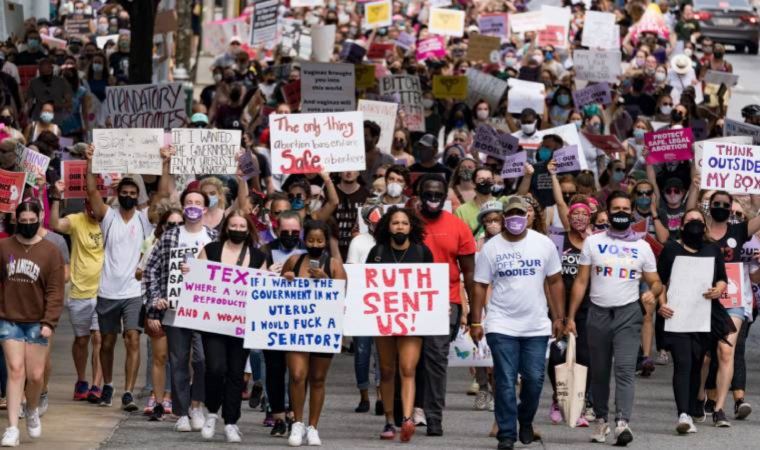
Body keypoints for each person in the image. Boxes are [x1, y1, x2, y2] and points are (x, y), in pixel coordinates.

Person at [566, 191, 663, 446]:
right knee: (599, 372)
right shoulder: (593, 242)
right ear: (607, 213)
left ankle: (622, 422)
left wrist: (653, 293)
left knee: (624, 370)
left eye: (626, 209)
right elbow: (581, 280)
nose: (621, 212)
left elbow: (655, 282)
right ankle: (601, 419)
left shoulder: (642, 246)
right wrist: (570, 316)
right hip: (597, 313)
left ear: (632, 213)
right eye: (616, 208)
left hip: (628, 314)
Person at [470, 195, 565, 450]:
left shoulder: (543, 244)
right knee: (505, 379)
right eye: (510, 214)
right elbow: (479, 285)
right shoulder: (491, 247)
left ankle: (525, 420)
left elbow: (555, 281)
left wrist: (559, 317)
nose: (515, 218)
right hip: (501, 324)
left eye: (519, 214)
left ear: (528, 217)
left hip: (536, 324)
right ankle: (506, 433)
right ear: (503, 218)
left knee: (534, 380)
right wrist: (476, 322)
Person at [85, 145, 154, 410]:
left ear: (138, 196)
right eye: (124, 193)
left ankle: (127, 392)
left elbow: (161, 197)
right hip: (107, 291)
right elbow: (92, 192)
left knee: (133, 338)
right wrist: (90, 162)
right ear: (117, 194)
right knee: (107, 342)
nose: (128, 196)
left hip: (134, 291)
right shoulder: (108, 216)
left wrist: (165, 165)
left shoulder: (144, 219)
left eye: (132, 193)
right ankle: (109, 385)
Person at [143, 189, 217, 431]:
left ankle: (197, 406)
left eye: (198, 203)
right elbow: (151, 269)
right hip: (175, 312)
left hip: (206, 314)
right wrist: (156, 299)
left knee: (203, 360)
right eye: (189, 202)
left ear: (206, 209)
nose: (193, 206)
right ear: (183, 207)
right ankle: (182, 411)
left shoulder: (214, 238)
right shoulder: (170, 236)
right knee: (178, 362)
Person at [191, 210, 266, 442]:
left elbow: (262, 288)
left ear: (248, 230)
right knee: (215, 368)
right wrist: (189, 272)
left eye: (242, 227)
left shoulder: (256, 256)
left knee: (236, 373)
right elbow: (198, 277)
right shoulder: (211, 250)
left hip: (241, 325)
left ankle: (231, 421)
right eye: (233, 225)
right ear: (226, 228)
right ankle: (212, 412)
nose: (238, 230)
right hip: (213, 323)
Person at [656, 209, 730, 435]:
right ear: (681, 225)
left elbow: (722, 279)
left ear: (705, 225)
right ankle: (683, 414)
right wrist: (662, 303)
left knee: (697, 365)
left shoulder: (712, 249)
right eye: (690, 221)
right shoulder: (671, 249)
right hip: (676, 315)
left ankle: (691, 406)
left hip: (703, 316)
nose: (694, 224)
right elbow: (659, 281)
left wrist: (718, 289)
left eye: (698, 221)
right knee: (683, 362)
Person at [365, 207, 433, 442]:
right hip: (383, 320)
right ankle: (388, 419)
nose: (400, 227)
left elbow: (431, 286)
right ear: (388, 226)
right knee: (386, 370)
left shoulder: (422, 252)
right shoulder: (377, 252)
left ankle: (406, 419)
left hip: (412, 321)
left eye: (404, 223)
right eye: (396, 223)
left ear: (411, 226)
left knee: (407, 368)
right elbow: (366, 286)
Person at [415, 174, 476, 435]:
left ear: (445, 196)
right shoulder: (406, 223)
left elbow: (470, 273)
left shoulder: (458, 226)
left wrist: (473, 312)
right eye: (428, 193)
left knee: (436, 358)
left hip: (446, 302)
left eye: (438, 194)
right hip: (409, 301)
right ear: (419, 195)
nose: (433, 198)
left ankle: (434, 416)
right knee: (408, 361)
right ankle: (407, 410)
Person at [0, 201, 65, 446]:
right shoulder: (4, 246)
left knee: (36, 375)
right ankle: (12, 428)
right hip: (9, 319)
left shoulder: (51, 251)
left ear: (39, 217)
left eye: (32, 220)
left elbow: (56, 290)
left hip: (38, 321)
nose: (28, 225)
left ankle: (32, 408)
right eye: (23, 221)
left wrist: (49, 320)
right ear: (16, 219)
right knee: (16, 371)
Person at [282, 220, 347, 447]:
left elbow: (342, 296)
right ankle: (297, 423)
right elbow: (276, 292)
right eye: (311, 240)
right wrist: (287, 280)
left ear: (326, 241)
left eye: (320, 241)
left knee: (318, 379)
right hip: (296, 327)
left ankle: (313, 427)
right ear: (304, 239)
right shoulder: (293, 260)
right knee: (298, 375)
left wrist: (326, 280)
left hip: (323, 329)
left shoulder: (335, 265)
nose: (315, 244)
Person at [49, 182, 104, 403]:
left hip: (103, 292)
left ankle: (96, 384)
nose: (95, 208)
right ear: (85, 204)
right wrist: (56, 197)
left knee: (99, 338)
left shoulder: (110, 221)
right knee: (81, 340)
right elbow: (54, 223)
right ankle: (81, 380)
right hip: (80, 291)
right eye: (91, 204)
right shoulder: (77, 220)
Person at [259, 210, 306, 436]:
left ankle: (295, 413)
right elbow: (254, 280)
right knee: (275, 368)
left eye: (294, 232)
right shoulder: (266, 251)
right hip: (273, 319)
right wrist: (266, 273)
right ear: (277, 230)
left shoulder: (310, 251)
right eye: (285, 231)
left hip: (302, 320)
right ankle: (277, 414)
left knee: (298, 371)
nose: (289, 235)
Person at [347, 205, 383, 416]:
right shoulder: (359, 242)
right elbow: (352, 272)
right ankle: (364, 395)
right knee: (362, 352)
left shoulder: (388, 241)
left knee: (382, 353)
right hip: (361, 304)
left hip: (383, 305)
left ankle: (380, 395)